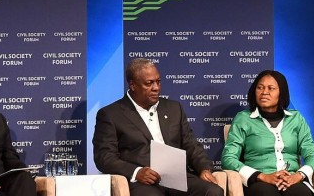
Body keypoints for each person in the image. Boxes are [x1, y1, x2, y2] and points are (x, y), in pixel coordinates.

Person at [93, 59, 221, 196]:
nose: (156, 87)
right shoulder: (111, 114)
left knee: (212, 191)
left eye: (158, 82)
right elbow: (104, 157)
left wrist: (204, 168)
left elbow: (191, 145)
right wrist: (137, 172)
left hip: (176, 178)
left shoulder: (173, 108)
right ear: (133, 85)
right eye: (149, 83)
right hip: (142, 182)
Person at [220, 70, 314, 195]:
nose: (264, 92)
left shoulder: (296, 119)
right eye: (260, 88)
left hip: (292, 180)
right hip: (259, 183)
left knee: (301, 193)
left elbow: (313, 155)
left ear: (281, 93)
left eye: (271, 88)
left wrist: (298, 176)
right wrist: (262, 176)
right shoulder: (243, 119)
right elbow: (228, 158)